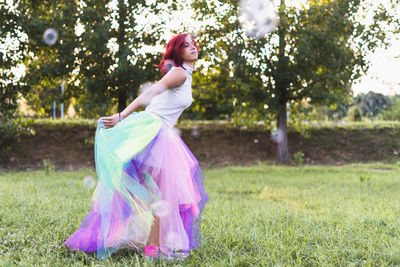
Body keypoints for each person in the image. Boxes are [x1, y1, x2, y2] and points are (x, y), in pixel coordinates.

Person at [64, 33, 208, 260]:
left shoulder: (186, 75)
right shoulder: (178, 73)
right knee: (164, 195)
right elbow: (148, 95)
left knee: (163, 195)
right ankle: (151, 250)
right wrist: (121, 116)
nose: (193, 48)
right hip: (152, 131)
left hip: (161, 133)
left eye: (194, 44)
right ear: (176, 51)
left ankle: (152, 247)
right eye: (186, 45)